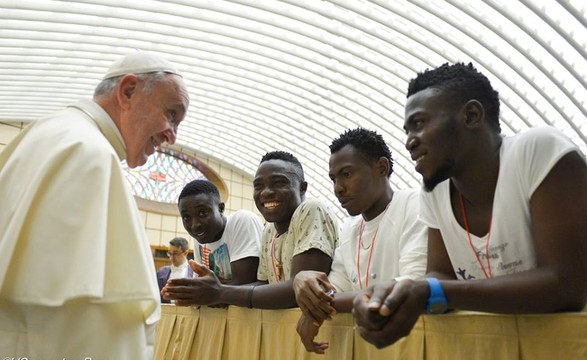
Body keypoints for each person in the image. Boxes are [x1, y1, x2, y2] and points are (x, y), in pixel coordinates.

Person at [353, 62, 587, 349]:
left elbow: (566, 284)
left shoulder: (538, 151)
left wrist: (432, 290)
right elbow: (441, 275)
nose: (409, 142)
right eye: (406, 130)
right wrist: (396, 295)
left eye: (419, 124)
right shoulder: (435, 191)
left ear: (472, 115)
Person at [0, 51, 190, 359]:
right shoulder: (86, 152)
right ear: (128, 91)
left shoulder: (56, 133)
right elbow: (75, 316)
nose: (172, 135)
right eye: (171, 114)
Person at [292, 127, 428, 353]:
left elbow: (409, 286)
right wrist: (302, 280)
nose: (338, 189)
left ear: (381, 168)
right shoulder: (350, 228)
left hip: (412, 347)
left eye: (346, 174)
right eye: (333, 179)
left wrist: (314, 309)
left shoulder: (415, 204)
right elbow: (334, 288)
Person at [161, 151, 339, 309]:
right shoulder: (270, 230)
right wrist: (202, 294)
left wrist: (220, 294)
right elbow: (263, 284)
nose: (266, 192)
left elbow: (299, 292)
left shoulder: (311, 209)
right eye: (258, 186)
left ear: (302, 187)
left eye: (278, 183)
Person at [178, 179, 261, 285]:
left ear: (221, 208)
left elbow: (243, 286)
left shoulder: (242, 220)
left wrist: (213, 289)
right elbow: (201, 286)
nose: (194, 225)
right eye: (186, 217)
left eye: (202, 213)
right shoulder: (200, 237)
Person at [156, 237, 194, 303]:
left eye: (175, 253)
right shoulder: (161, 272)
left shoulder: (194, 272)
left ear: (185, 252)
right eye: (169, 253)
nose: (172, 257)